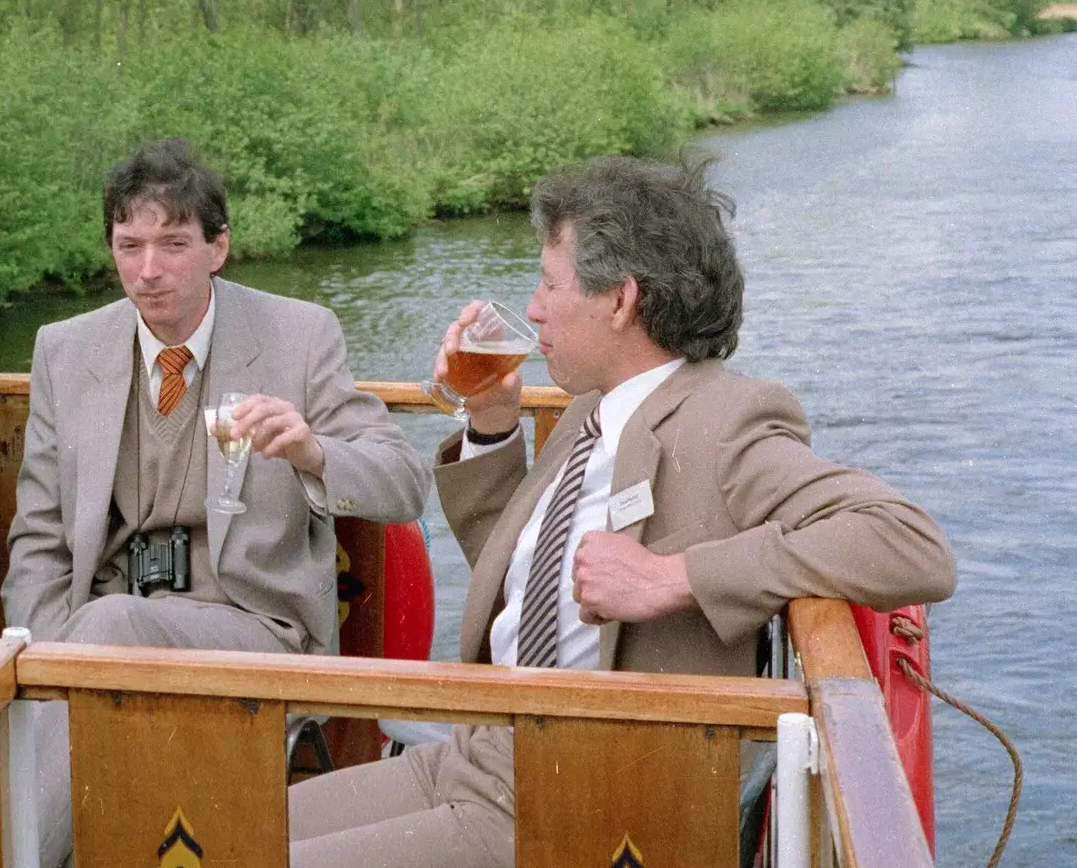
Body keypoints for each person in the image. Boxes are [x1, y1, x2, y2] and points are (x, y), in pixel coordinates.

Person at [286, 155, 957, 868]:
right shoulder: (592, 408)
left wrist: (676, 577)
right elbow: (524, 583)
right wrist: (490, 422)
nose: (533, 307)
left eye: (549, 283)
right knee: (219, 827)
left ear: (620, 300)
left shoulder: (726, 421)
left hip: (576, 794)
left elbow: (912, 544)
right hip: (480, 753)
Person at [5, 137, 431, 867]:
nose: (147, 269)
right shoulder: (65, 349)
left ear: (218, 247)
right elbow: (39, 536)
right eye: (128, 244)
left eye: (172, 244)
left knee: (107, 630)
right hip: (94, 636)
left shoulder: (298, 336)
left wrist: (311, 451)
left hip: (256, 630)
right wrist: (43, 664)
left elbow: (404, 481)